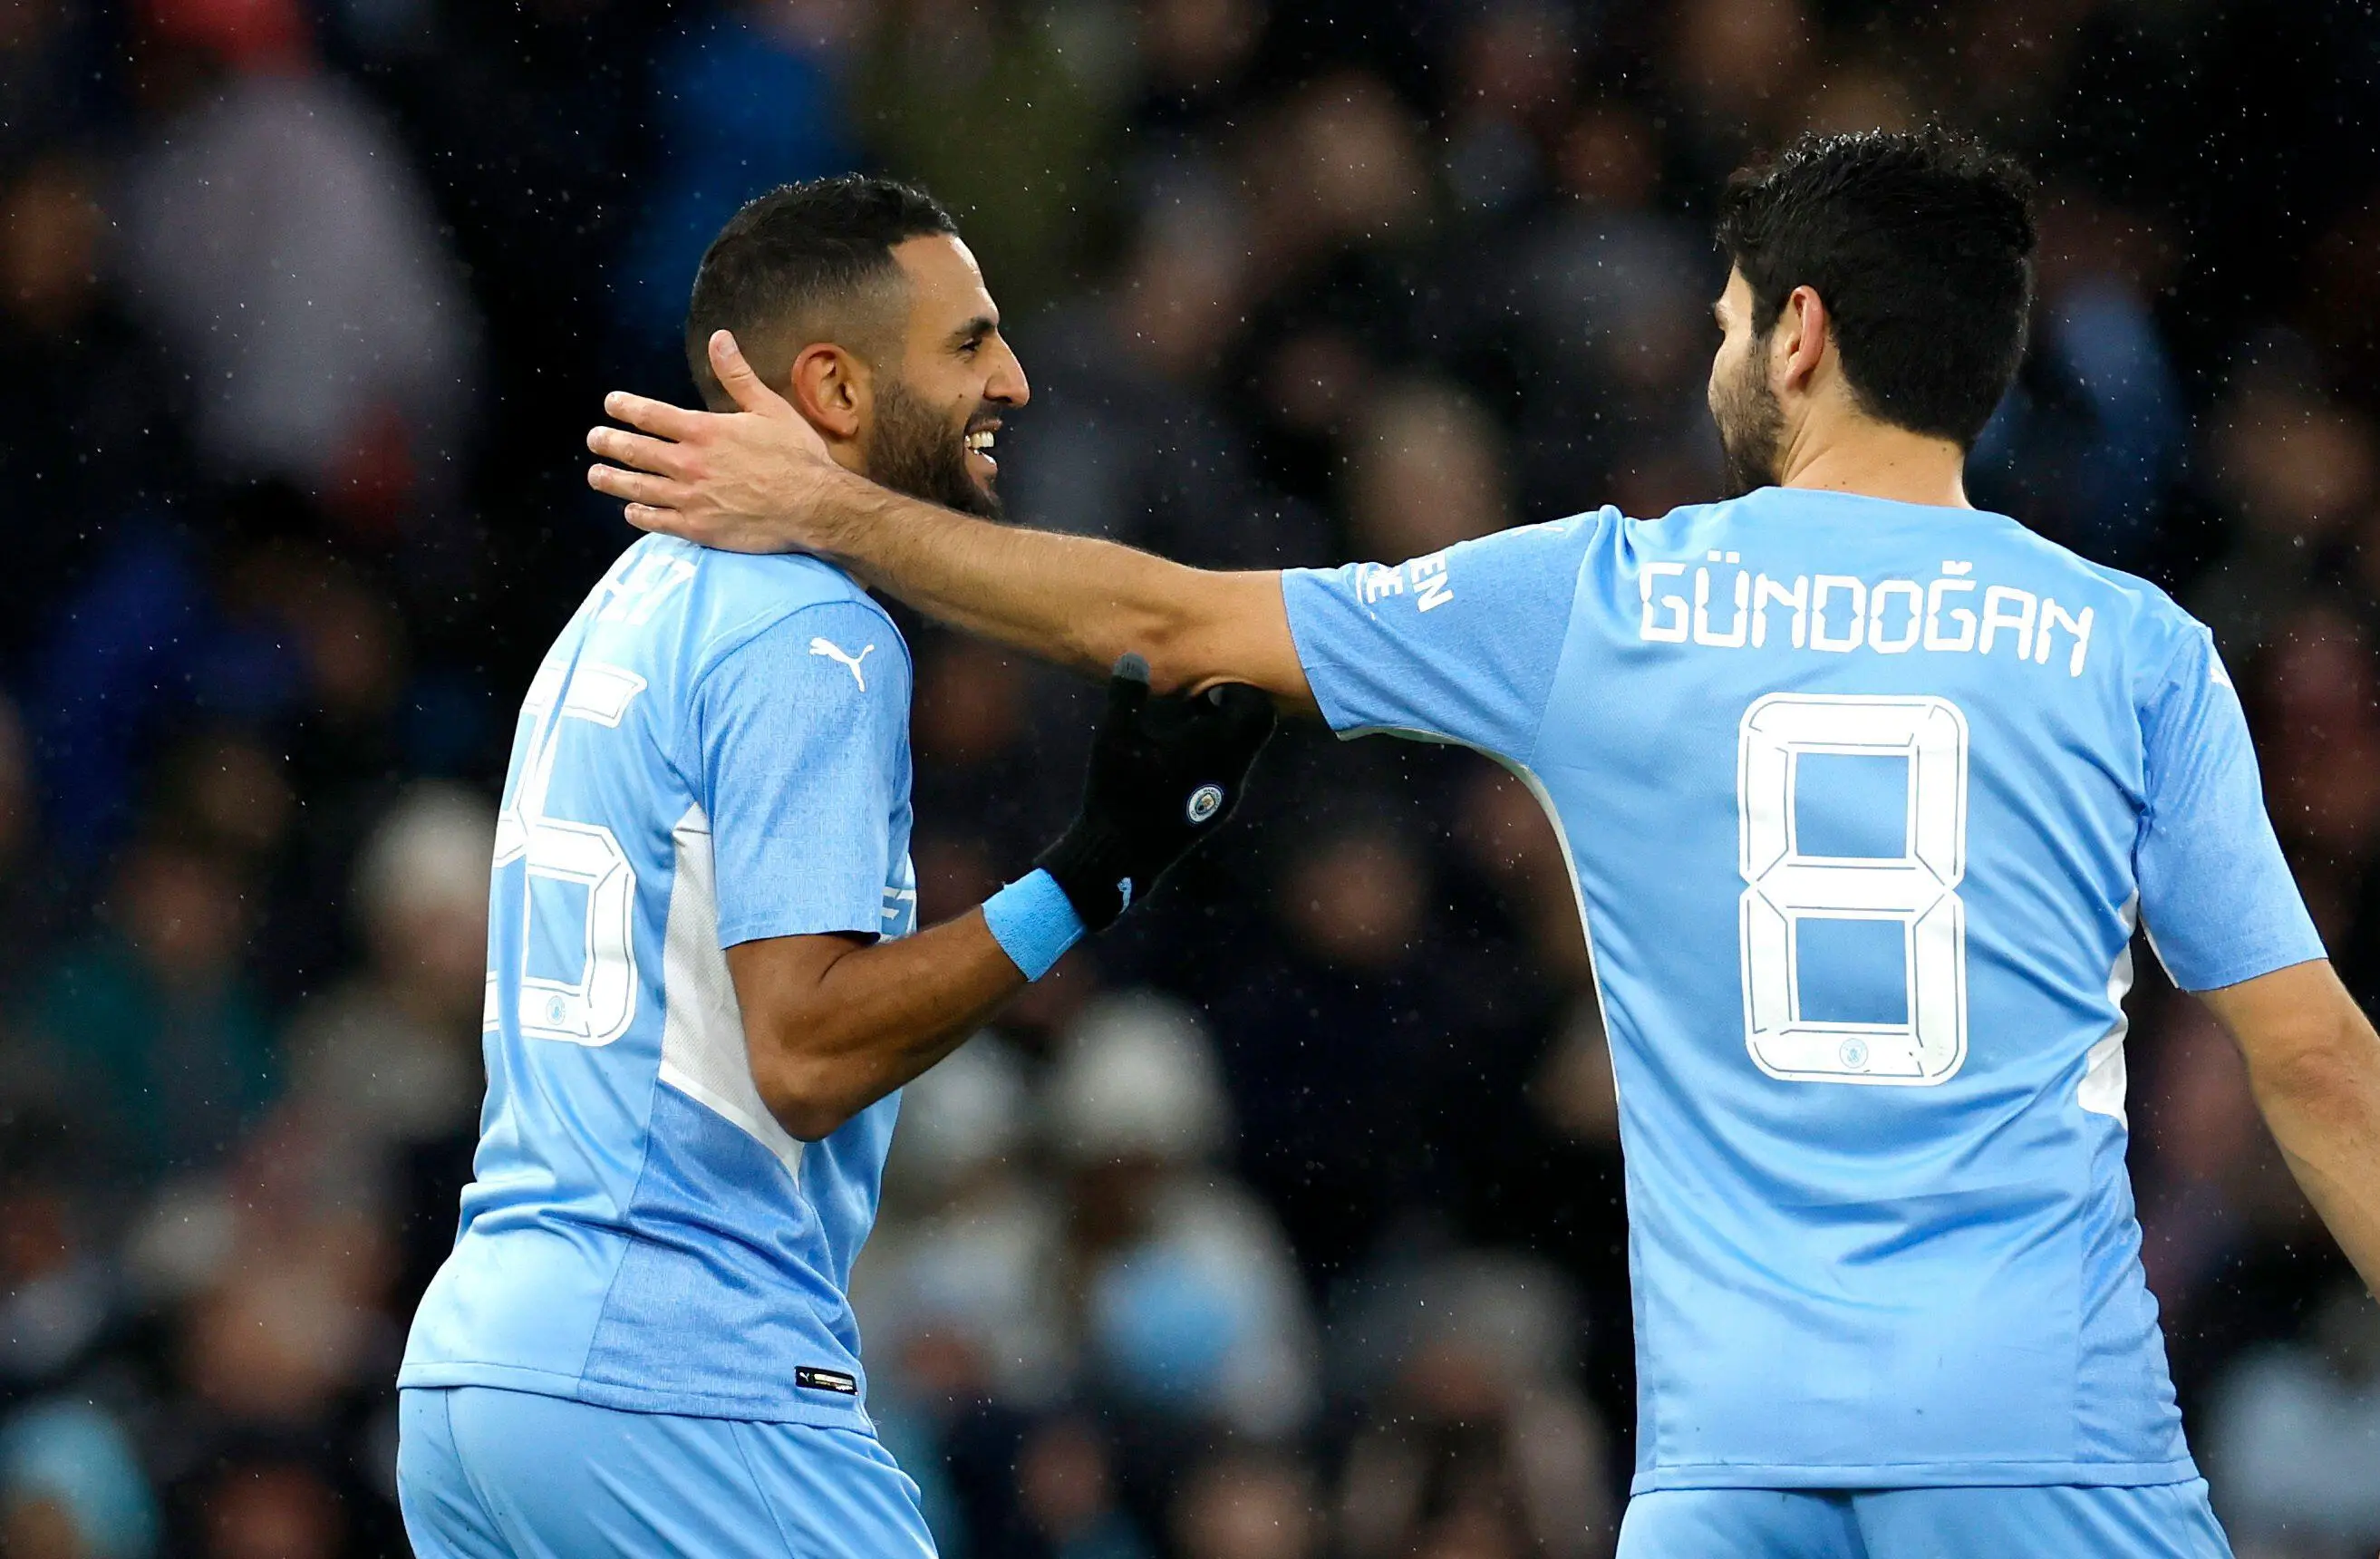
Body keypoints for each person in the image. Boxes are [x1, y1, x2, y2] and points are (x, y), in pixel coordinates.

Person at [588, 131, 2380, 1556]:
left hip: (1734, 1464)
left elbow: (1166, 621)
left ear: (1801, 335)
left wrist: (828, 507)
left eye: (1727, 316)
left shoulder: (1607, 595)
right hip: (2040, 1443)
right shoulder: (2134, 649)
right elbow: (2310, 1058)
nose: (1710, 353)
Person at [398, 176, 1273, 1559]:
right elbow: (799, 1055)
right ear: (836, 388)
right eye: (971, 342)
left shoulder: (614, 615)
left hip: (477, 1379)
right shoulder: (812, 632)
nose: (1017, 379)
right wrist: (1088, 876)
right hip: (680, 1376)